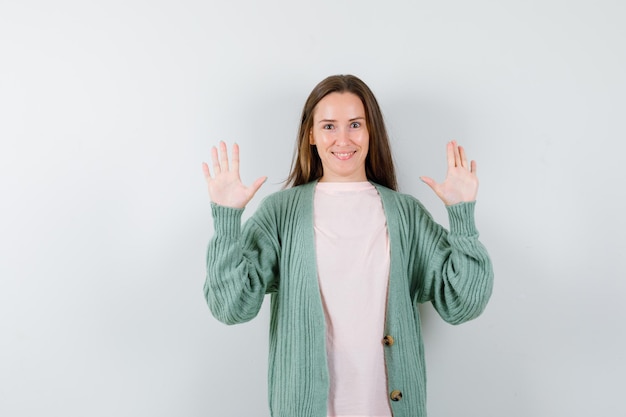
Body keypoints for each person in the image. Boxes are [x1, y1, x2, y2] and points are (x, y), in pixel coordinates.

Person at [202, 74, 494, 417]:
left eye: (355, 124)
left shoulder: (406, 214)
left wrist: (462, 218)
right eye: (329, 126)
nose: (343, 138)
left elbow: (465, 302)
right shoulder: (281, 213)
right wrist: (227, 221)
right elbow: (229, 306)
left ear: (371, 132)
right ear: (310, 134)